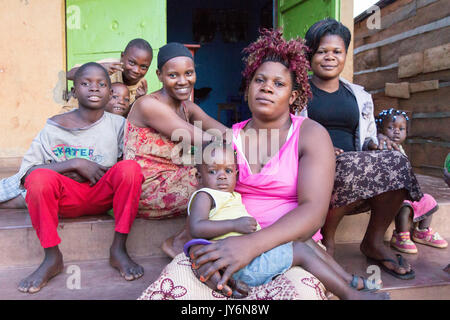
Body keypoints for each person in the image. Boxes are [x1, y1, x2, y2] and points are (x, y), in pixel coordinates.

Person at [138, 29, 367, 300]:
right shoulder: (226, 140)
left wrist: (248, 245)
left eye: (279, 84)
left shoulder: (310, 134)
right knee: (173, 289)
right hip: (226, 245)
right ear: (248, 88)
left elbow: (313, 213)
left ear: (294, 96)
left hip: (290, 249)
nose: (267, 87)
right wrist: (204, 250)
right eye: (259, 80)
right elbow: (209, 198)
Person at [301, 18, 423, 280]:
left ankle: (374, 241)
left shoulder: (359, 95)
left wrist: (376, 142)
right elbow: (287, 133)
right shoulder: (297, 92)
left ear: (345, 54)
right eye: (322, 51)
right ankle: (328, 241)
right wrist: (321, 147)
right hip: (315, 168)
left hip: (355, 164)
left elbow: (367, 136)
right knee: (347, 166)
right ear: (310, 54)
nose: (329, 57)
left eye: (337, 51)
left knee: (396, 160)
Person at [188, 142, 388, 299]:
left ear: (236, 173)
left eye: (228, 171)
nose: (222, 177)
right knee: (299, 250)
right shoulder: (204, 195)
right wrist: (234, 225)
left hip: (252, 254)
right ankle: (350, 295)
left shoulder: (230, 195)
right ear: (199, 176)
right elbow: (197, 227)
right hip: (239, 266)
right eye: (213, 171)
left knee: (302, 238)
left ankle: (347, 280)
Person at [16, 62, 144, 293]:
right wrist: (73, 164)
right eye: (86, 83)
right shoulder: (53, 127)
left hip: (102, 195)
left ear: (109, 92)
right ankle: (51, 256)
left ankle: (119, 248)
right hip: (66, 198)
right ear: (74, 91)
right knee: (39, 179)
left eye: (101, 84)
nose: (94, 88)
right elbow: (27, 174)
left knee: (131, 169)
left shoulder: (118, 124)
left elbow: (129, 165)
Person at [124, 42, 228, 258]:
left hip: (179, 178)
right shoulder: (148, 104)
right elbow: (204, 139)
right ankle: (179, 240)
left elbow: (225, 133)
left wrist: (253, 140)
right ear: (159, 75)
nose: (183, 81)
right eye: (173, 75)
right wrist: (238, 149)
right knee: (223, 178)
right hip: (149, 190)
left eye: (189, 73)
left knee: (225, 173)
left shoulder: (186, 107)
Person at [376, 108, 448, 253]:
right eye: (391, 127)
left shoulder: (400, 149)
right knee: (404, 205)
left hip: (405, 189)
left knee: (428, 200)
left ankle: (422, 230)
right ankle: (400, 235)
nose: (396, 131)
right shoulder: (380, 147)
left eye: (401, 129)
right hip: (390, 191)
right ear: (380, 130)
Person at [64, 38, 152, 111]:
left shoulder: (141, 87)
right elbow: (69, 75)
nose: (136, 70)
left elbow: (125, 116)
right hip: (72, 113)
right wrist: (99, 69)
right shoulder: (110, 66)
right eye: (132, 63)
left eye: (143, 67)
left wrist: (138, 101)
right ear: (122, 56)